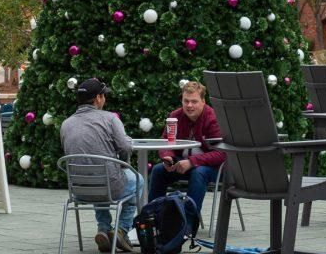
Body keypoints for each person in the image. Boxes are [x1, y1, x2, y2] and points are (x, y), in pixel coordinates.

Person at [59, 77, 139, 253]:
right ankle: (121, 230)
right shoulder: (110, 119)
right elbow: (125, 147)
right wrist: (124, 164)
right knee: (137, 180)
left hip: (78, 190)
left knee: (96, 175)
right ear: (98, 98)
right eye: (104, 95)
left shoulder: (66, 124)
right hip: (109, 187)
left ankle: (103, 228)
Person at [148, 81, 226, 230]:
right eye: (186, 101)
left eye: (194, 101)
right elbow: (165, 142)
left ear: (203, 101)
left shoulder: (213, 119)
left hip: (215, 168)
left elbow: (222, 154)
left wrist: (192, 162)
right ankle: (154, 220)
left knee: (199, 173)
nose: (189, 105)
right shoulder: (175, 116)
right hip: (184, 163)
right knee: (158, 170)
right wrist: (168, 157)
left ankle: (187, 226)